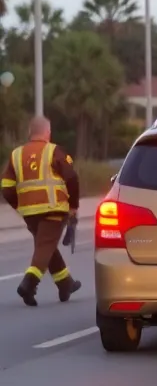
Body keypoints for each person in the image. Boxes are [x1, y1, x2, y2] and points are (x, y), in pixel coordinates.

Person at [0, 116, 83, 306]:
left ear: (30, 133)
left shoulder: (16, 155)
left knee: (46, 245)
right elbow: (72, 178)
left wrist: (18, 205)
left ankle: (65, 283)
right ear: (47, 132)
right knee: (45, 246)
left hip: (30, 212)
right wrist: (74, 207)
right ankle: (29, 283)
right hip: (53, 209)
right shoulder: (54, 151)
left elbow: (6, 187)